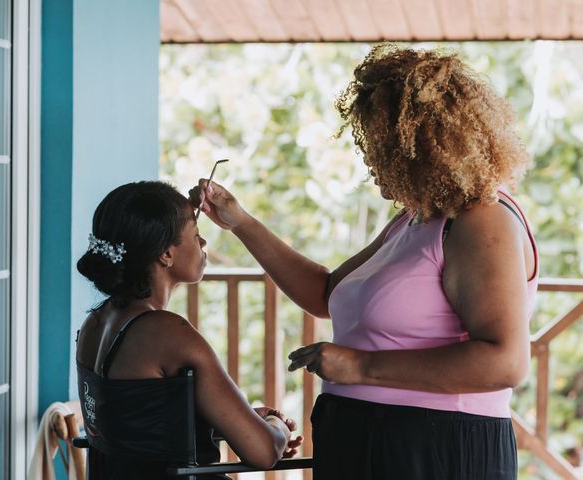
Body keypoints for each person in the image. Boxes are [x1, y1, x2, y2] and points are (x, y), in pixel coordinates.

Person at [193, 45, 538, 479]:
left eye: (379, 144)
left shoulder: (481, 220)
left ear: (422, 143)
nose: (371, 159)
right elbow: (325, 293)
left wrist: (359, 366)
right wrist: (240, 221)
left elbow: (505, 362)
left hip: (433, 449)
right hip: (367, 440)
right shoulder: (416, 218)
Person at [75, 181, 302, 479]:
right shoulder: (167, 333)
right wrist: (277, 427)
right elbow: (262, 451)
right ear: (166, 255)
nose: (204, 243)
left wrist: (230, 423)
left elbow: (139, 433)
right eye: (195, 235)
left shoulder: (94, 323)